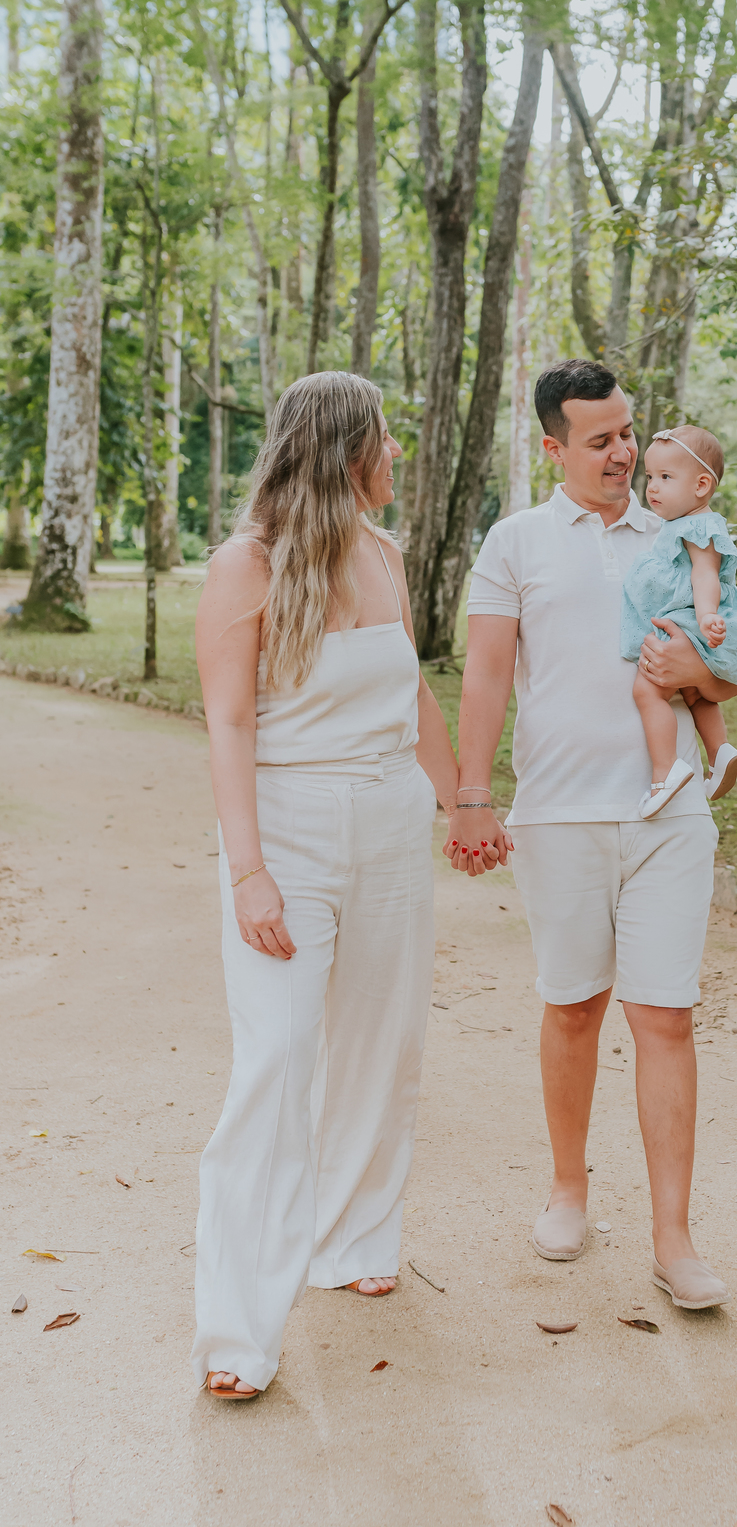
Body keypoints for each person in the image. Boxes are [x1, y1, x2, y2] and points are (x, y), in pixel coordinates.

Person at [191, 371, 463, 1400]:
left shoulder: (384, 553)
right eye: (388, 440)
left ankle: (352, 1237)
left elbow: (412, 694)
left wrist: (465, 801)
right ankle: (238, 1334)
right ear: (350, 450)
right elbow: (228, 724)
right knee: (276, 1061)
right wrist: (251, 872)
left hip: (390, 820)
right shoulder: (246, 565)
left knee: (383, 1042)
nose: (398, 457)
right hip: (289, 830)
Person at [451, 359, 737, 1311]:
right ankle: (568, 1188)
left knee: (665, 1015)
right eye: (601, 440)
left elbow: (727, 673)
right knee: (574, 1005)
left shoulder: (683, 533)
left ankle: (674, 1238)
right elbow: (488, 675)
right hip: (560, 813)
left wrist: (698, 670)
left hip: (669, 813)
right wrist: (470, 796)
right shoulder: (516, 541)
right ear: (554, 447)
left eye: (628, 433)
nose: (623, 453)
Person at [621, 425, 737, 817]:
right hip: (694, 618)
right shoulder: (682, 524)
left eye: (665, 477)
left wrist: (707, 614)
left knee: (648, 692)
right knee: (694, 694)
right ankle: (720, 751)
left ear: (700, 486)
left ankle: (665, 772)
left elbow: (705, 574)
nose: (653, 488)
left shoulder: (698, 526)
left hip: (694, 619)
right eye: (650, 477)